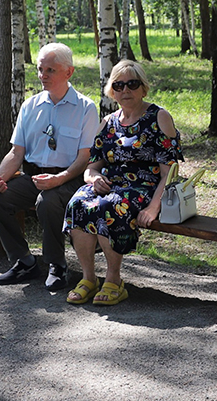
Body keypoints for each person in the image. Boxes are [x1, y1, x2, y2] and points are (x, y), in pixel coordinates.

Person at [64, 60, 182, 306]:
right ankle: (88, 278)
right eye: (119, 85)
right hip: (111, 184)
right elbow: (91, 167)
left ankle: (114, 280)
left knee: (111, 206)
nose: (125, 90)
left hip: (145, 187)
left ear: (143, 88)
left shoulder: (159, 117)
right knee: (78, 203)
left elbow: (170, 173)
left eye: (132, 84)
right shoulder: (107, 123)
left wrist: (153, 208)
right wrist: (94, 180)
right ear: (112, 91)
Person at [0, 43, 99, 291]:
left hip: (70, 178)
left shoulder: (86, 108)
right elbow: (17, 152)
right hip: (34, 175)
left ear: (69, 72)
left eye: (50, 70)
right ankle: (23, 261)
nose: (43, 76)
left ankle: (57, 265)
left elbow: (84, 158)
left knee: (47, 202)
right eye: (40, 69)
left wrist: (59, 179)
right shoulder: (30, 106)